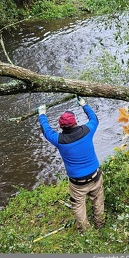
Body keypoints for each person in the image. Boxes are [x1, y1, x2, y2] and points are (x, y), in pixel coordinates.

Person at [37, 97, 105, 232]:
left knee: (78, 205)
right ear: (75, 122)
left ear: (61, 126)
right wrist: (84, 105)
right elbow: (94, 118)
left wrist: (42, 114)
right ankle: (100, 223)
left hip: (77, 182)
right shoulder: (87, 131)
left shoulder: (59, 140)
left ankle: (86, 231)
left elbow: (46, 129)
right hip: (95, 176)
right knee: (98, 200)